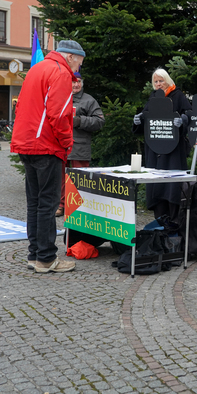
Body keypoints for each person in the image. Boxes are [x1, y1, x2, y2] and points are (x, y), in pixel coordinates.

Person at [11, 40, 85, 273]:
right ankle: (46, 258)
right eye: (79, 63)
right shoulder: (61, 72)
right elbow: (60, 114)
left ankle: (35, 255)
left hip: (26, 143)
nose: (77, 70)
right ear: (71, 57)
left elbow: (21, 105)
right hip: (47, 145)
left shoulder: (37, 68)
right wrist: (66, 142)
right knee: (48, 203)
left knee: (34, 202)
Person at [133, 68, 191, 222]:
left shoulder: (178, 95)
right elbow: (145, 118)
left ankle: (174, 221)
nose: (159, 84)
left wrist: (182, 121)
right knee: (157, 185)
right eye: (156, 81)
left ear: (167, 80)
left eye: (161, 81)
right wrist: (138, 121)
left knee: (172, 186)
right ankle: (159, 221)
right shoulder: (153, 98)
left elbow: (190, 115)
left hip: (173, 150)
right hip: (155, 149)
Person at [55, 72, 105, 217]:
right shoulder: (60, 98)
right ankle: (61, 205)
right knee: (60, 178)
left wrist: (80, 121)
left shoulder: (89, 100)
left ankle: (78, 208)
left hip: (80, 146)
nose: (76, 84)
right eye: (73, 82)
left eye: (78, 82)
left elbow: (100, 121)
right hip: (61, 145)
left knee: (80, 179)